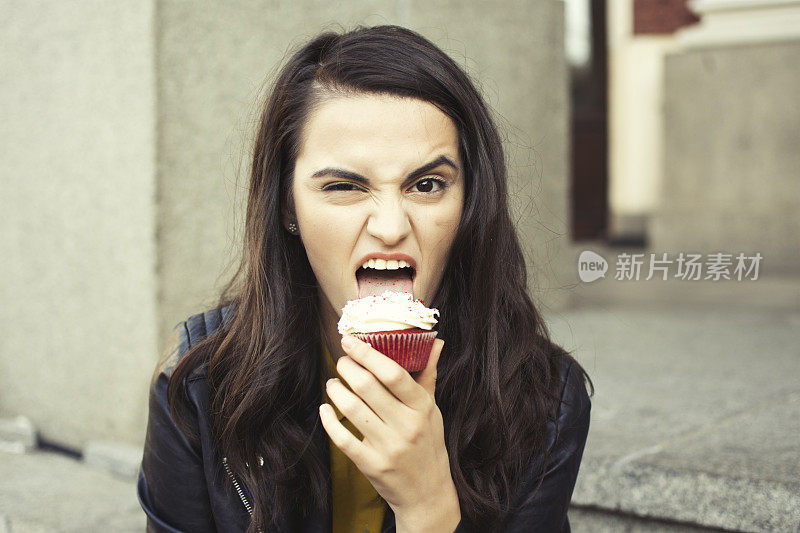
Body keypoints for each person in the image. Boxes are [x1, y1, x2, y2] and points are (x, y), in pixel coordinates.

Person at [137, 24, 593, 533]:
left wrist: (429, 509)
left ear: (469, 205)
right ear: (287, 205)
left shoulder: (542, 402)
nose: (392, 227)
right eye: (344, 186)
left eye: (426, 184)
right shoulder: (198, 389)